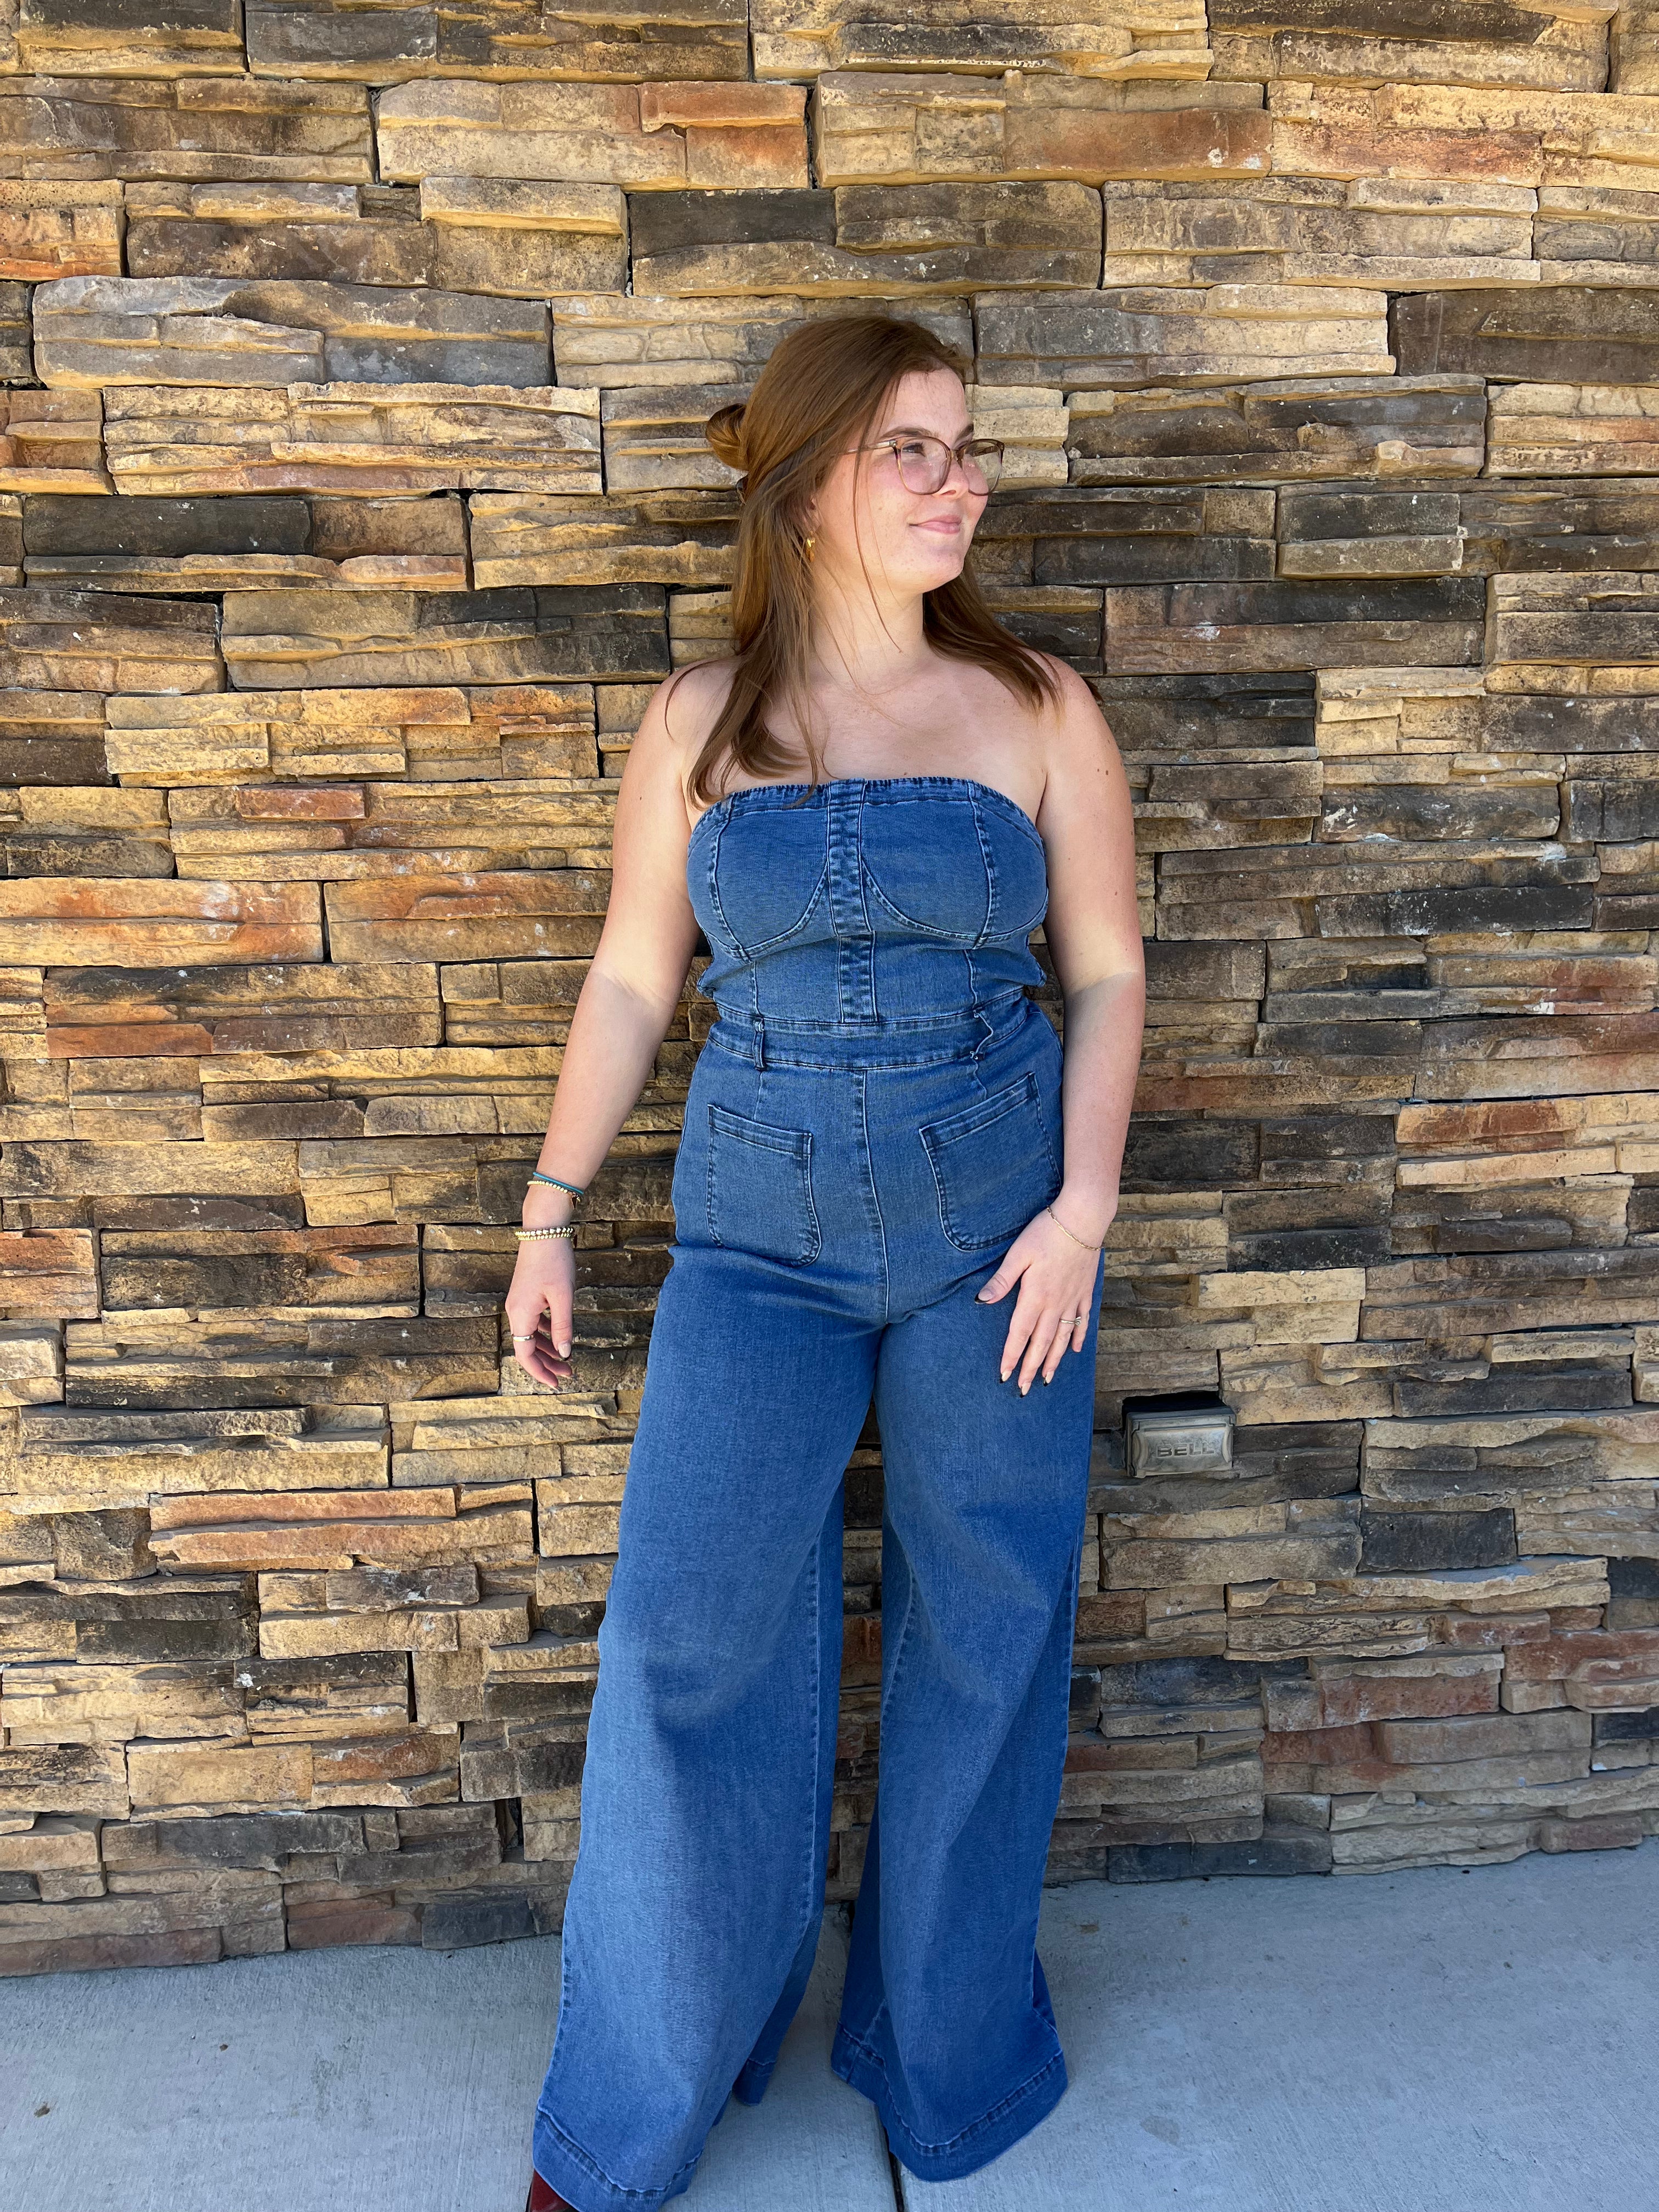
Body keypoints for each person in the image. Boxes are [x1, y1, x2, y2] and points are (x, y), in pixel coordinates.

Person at [507, 312, 1145, 2212]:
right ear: (805, 489)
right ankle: (632, 2109)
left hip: (999, 1245)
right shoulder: (701, 722)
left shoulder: (1036, 705)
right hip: (755, 1244)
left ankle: (945, 2055)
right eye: (914, 452)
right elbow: (636, 979)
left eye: (968, 447)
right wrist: (550, 1207)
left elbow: (1110, 974)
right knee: (682, 1641)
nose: (963, 484)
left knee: (990, 1633)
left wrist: (1082, 1215)